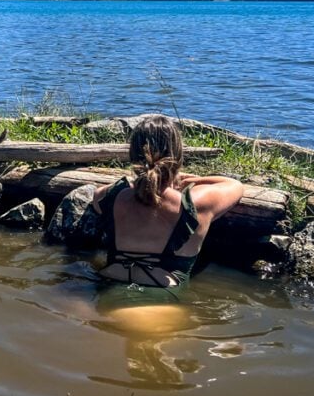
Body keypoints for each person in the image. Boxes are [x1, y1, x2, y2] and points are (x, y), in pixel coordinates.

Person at [92, 114, 244, 290]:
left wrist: (137, 180)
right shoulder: (194, 204)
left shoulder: (106, 198)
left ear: (133, 156)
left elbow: (105, 191)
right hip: (163, 302)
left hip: (107, 287)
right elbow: (235, 186)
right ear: (178, 156)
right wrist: (189, 179)